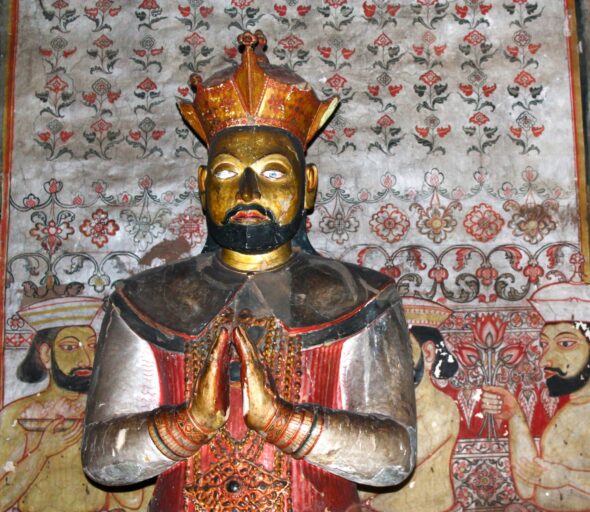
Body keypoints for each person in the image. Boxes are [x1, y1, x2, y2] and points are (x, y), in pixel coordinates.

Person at [82, 30, 416, 512]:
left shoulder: (363, 297)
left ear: (309, 186)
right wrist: (190, 422)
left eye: (274, 172)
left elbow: (394, 456)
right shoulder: (144, 299)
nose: (246, 191)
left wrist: (282, 421)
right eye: (225, 173)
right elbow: (100, 458)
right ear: (202, 186)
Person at [481, 279, 590, 511]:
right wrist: (515, 417)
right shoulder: (565, 416)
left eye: (565, 343)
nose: (545, 360)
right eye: (544, 345)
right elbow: (529, 488)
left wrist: (569, 477)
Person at [0, 296, 148, 512]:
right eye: (70, 347)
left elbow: (135, 502)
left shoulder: (109, 414)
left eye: (91, 346)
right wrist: (42, 452)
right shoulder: (17, 415)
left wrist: (99, 445)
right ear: (46, 354)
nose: (86, 359)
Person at [361, 297, 460, 512]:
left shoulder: (442, 411)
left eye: (402, 346)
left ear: (428, 353)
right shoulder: (391, 408)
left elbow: (381, 475)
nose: (390, 358)